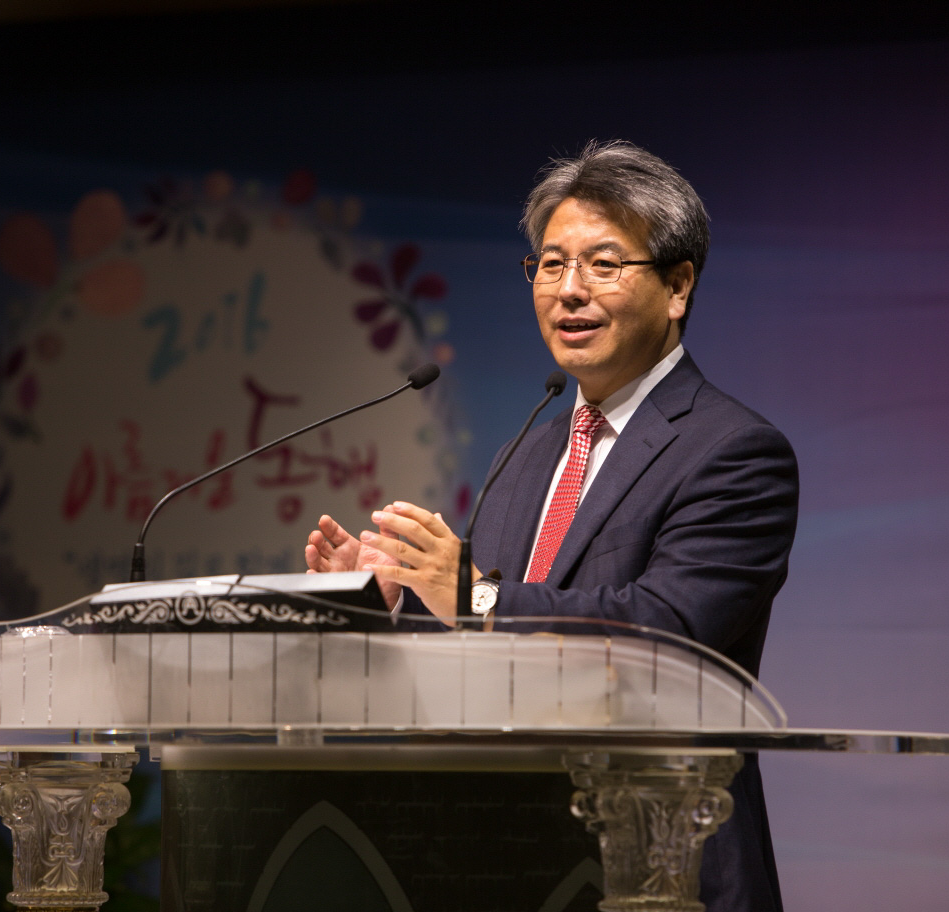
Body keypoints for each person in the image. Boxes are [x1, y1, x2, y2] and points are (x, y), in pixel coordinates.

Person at [305, 139, 798, 911]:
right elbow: (487, 642)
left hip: (662, 868)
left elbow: (668, 629)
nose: (569, 290)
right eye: (550, 265)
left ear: (677, 286)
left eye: (603, 265)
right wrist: (387, 603)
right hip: (512, 863)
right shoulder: (528, 453)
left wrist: (473, 596)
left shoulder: (735, 451)